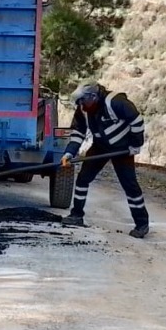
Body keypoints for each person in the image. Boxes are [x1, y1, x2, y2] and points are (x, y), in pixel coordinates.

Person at [61, 81, 150, 238]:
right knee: (83, 179)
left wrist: (135, 144)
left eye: (83, 100)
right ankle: (76, 215)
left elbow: (136, 121)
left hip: (123, 149)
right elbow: (78, 132)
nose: (81, 104)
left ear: (93, 97)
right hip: (100, 146)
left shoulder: (115, 102)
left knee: (130, 186)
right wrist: (69, 153)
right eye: (79, 101)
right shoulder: (83, 109)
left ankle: (142, 224)